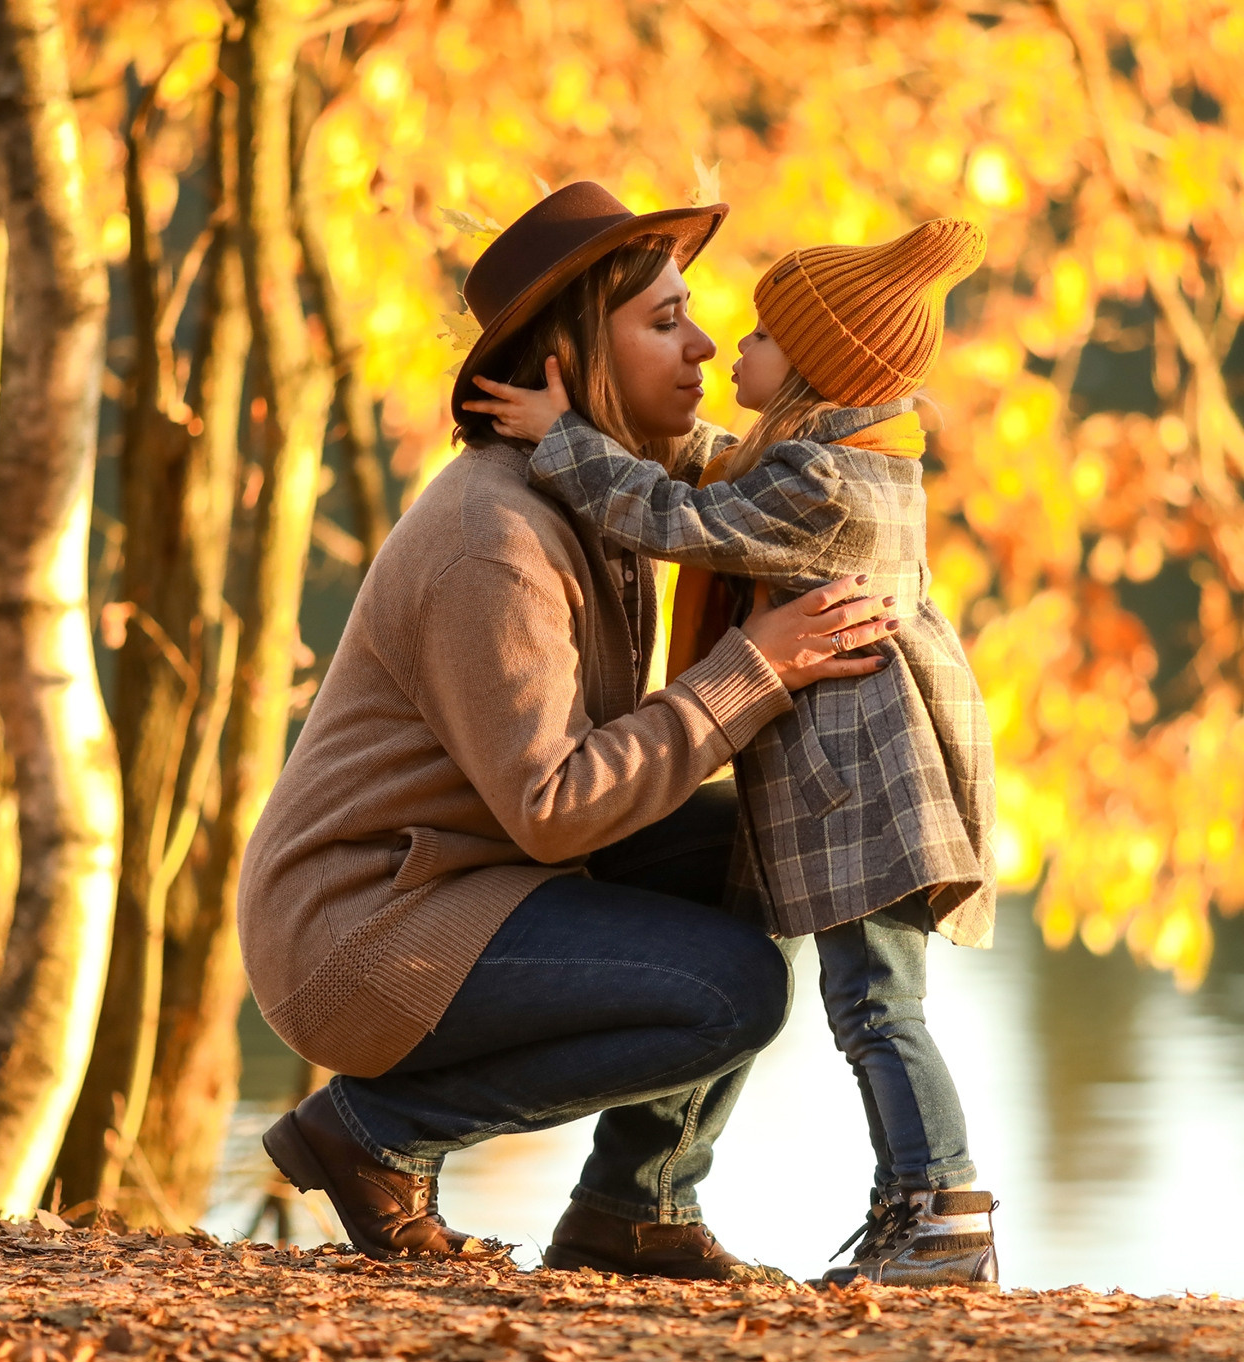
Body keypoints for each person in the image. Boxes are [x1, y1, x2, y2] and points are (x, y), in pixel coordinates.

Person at [237, 181, 895, 1279]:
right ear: (569, 361)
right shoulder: (491, 538)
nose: (704, 345)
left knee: (775, 837)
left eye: (692, 315)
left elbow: (776, 476)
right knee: (732, 992)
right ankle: (376, 1133)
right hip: (366, 926)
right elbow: (554, 807)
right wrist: (757, 669)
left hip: (477, 876)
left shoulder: (610, 485)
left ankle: (635, 1209)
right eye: (665, 322)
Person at [460, 219, 1002, 1289]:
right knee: (872, 1008)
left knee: (878, 1009)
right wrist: (607, 431)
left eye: (759, 336)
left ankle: (943, 1211)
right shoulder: (844, 459)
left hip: (867, 798)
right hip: (864, 793)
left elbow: (682, 520)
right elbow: (720, 475)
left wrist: (564, 436)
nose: (729, 349)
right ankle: (910, 1211)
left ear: (810, 368)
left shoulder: (826, 485)